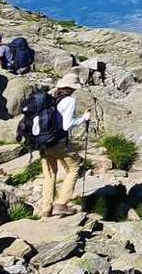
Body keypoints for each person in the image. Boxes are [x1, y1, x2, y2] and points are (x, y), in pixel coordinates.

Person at [19, 72, 90, 216]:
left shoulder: (51, 98)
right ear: (71, 88)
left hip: (43, 143)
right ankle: (61, 204)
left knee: (49, 175)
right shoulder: (69, 101)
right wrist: (84, 118)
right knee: (74, 168)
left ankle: (46, 209)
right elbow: (66, 125)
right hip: (59, 142)